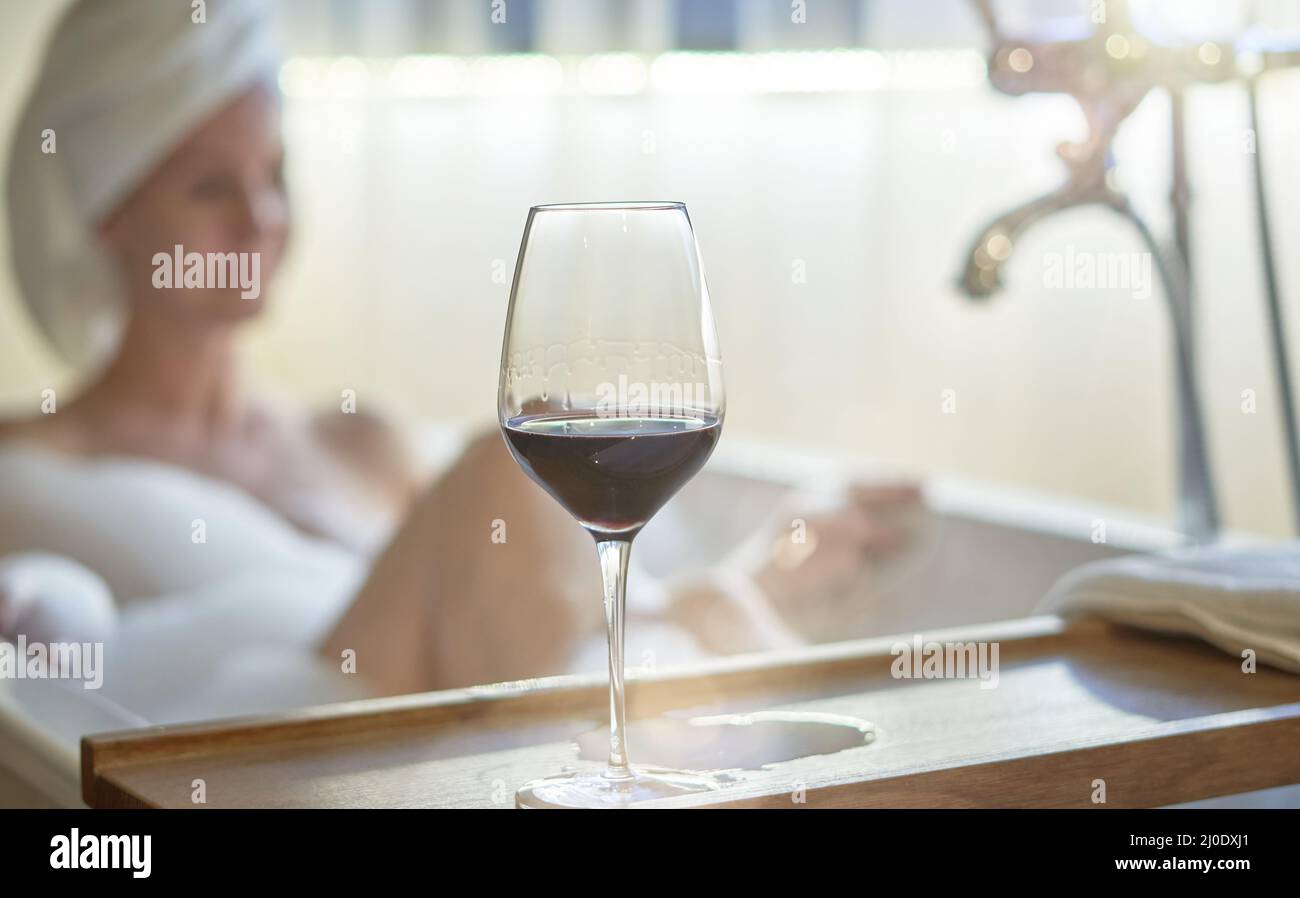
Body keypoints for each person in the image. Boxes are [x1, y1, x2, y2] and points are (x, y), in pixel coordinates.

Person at [0, 0, 920, 704]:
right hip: (294, 771)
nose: (262, 219)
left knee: (535, 477)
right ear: (108, 215)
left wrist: (755, 571)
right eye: (211, 187)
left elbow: (533, 615)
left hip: (475, 753)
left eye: (274, 174)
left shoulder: (360, 440)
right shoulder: (28, 475)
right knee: (500, 465)